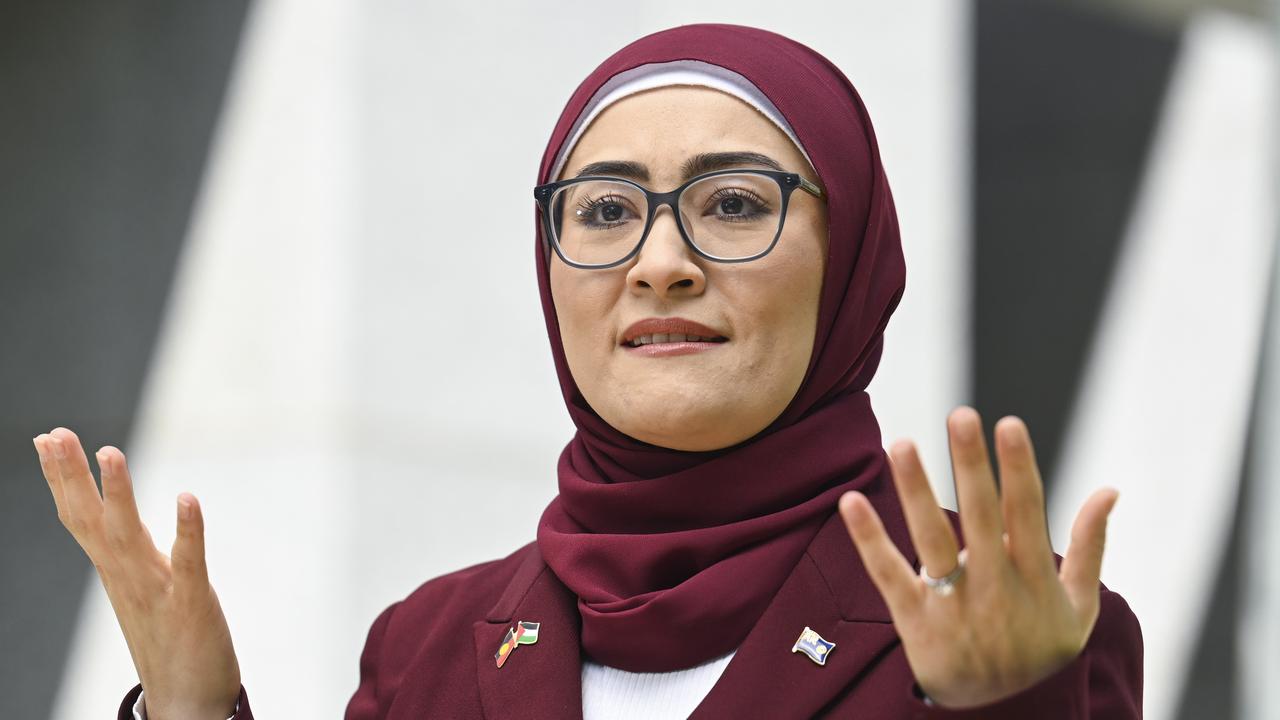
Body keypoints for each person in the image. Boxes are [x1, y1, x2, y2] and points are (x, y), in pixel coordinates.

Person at [31, 22, 1142, 719]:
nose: (659, 265)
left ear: (850, 259)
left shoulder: (1021, 620)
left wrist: (1004, 707)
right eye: (604, 211)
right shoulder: (425, 648)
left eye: (734, 204)